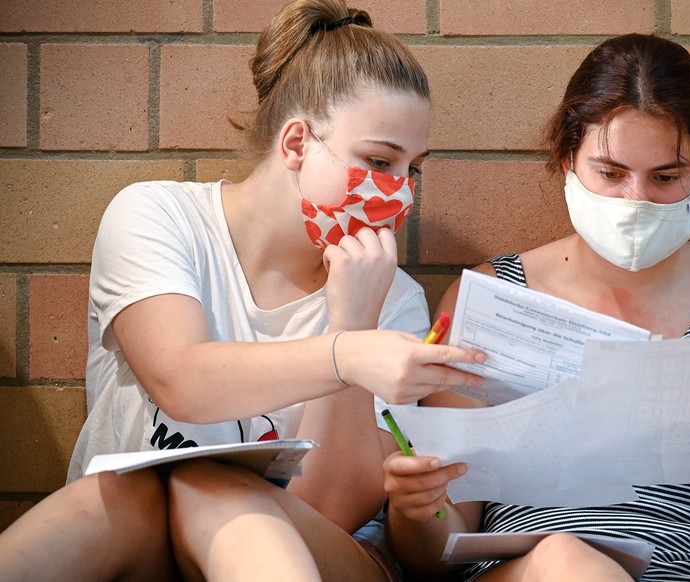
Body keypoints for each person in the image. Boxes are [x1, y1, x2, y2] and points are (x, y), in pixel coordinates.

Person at [0, 1, 485, 580]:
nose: (399, 194)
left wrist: (351, 318)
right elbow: (180, 378)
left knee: (209, 486)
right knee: (122, 493)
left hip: (318, 547)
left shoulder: (394, 295)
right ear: (297, 143)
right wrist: (346, 355)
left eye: (413, 170)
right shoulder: (159, 216)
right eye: (379, 161)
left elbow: (330, 511)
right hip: (146, 527)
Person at [382, 33, 690, 582]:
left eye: (667, 177)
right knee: (565, 559)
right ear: (567, 160)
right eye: (610, 173)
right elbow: (433, 553)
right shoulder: (495, 297)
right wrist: (415, 507)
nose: (635, 201)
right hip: (527, 571)